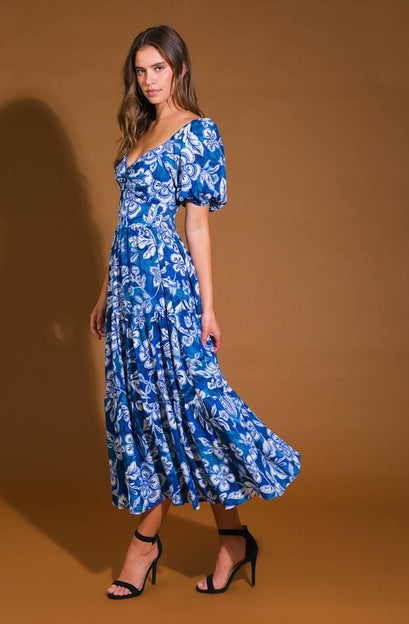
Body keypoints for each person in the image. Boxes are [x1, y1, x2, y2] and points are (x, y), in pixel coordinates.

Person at [90, 24, 301, 600]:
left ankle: (143, 546)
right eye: (140, 70)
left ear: (179, 69)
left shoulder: (197, 133)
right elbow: (126, 221)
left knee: (187, 409)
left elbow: (198, 225)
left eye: (159, 68)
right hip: (128, 293)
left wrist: (209, 308)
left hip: (167, 293)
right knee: (142, 413)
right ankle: (234, 538)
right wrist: (108, 291)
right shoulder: (140, 127)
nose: (148, 80)